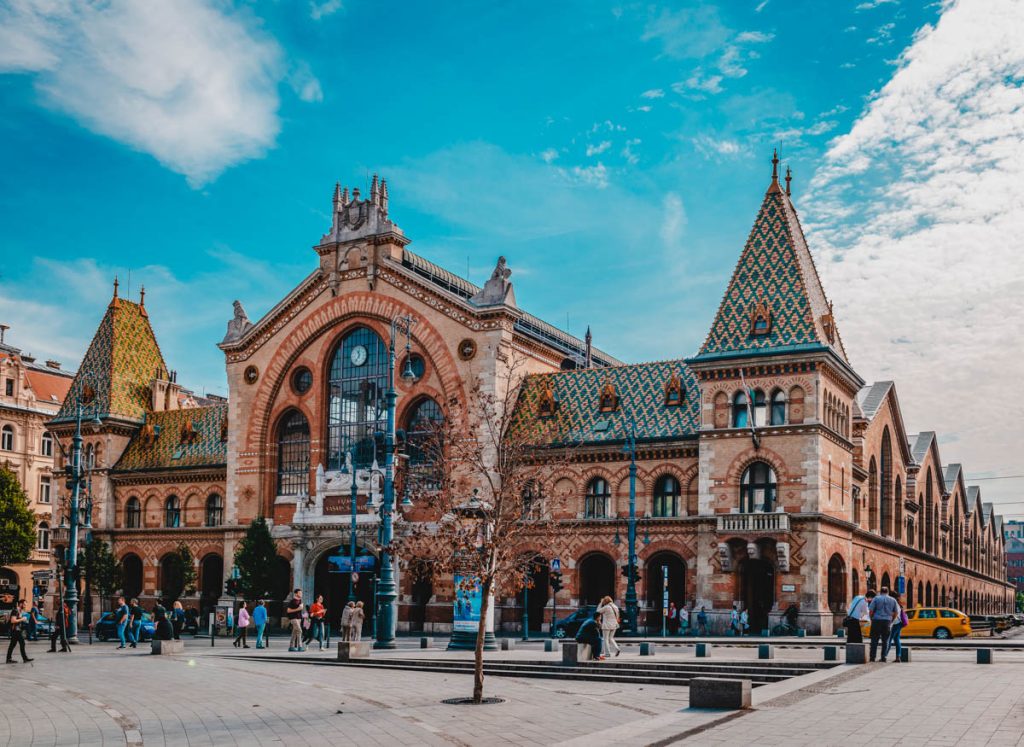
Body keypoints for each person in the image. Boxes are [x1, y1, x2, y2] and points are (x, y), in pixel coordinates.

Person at [868, 586, 899, 662]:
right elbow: (896, 612)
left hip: (876, 620)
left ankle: (872, 657)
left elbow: (871, 611)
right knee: (885, 640)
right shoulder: (893, 600)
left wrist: (872, 618)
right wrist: (892, 620)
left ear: (880, 592)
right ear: (888, 592)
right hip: (887, 621)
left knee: (874, 640)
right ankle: (883, 657)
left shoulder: (876, 599)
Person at [888, 592, 906, 663]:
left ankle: (885, 655)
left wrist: (890, 622)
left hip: (896, 623)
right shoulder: (897, 603)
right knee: (896, 639)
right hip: (899, 623)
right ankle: (898, 657)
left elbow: (894, 614)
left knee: (889, 640)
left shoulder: (894, 603)